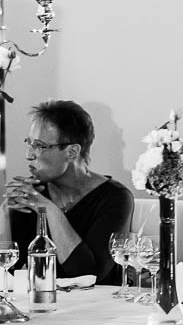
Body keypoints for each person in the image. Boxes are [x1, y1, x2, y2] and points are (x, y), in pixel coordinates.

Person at [2, 100, 134, 284]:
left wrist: (49, 210)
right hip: (45, 306)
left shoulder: (115, 198)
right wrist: (3, 215)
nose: (29, 155)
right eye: (29, 143)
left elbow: (89, 276)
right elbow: (10, 272)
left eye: (39, 146)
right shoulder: (31, 194)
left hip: (102, 308)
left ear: (72, 152)